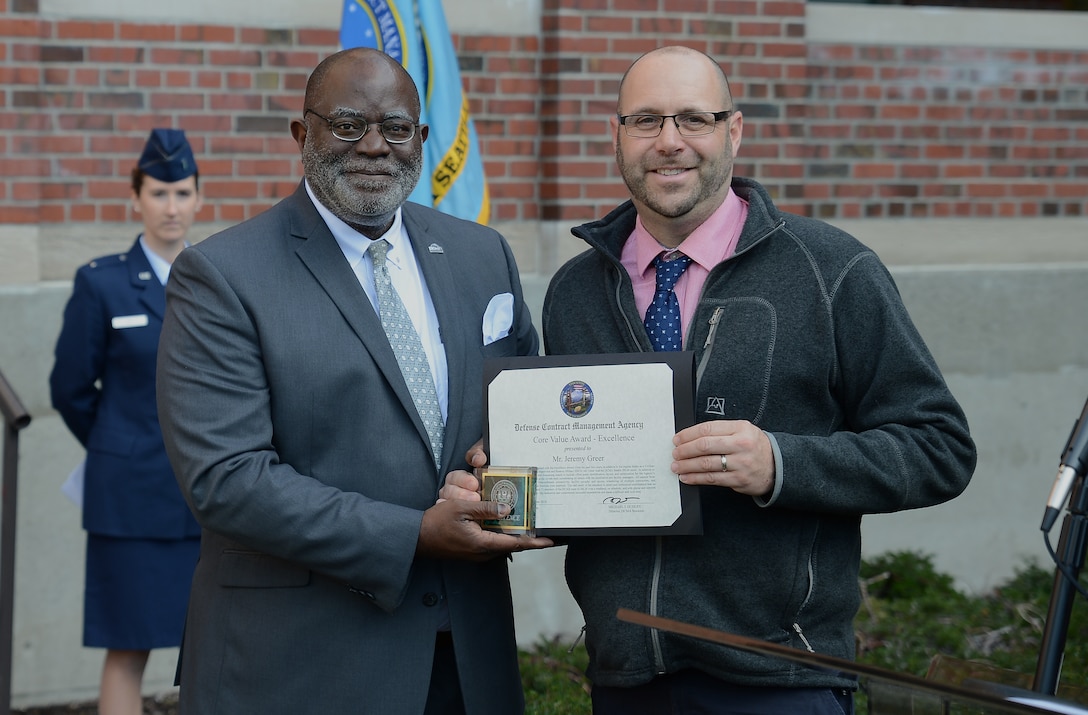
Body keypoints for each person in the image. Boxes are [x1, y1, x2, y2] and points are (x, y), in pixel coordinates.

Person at [445, 45, 977, 714]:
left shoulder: (832, 270)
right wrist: (516, 476)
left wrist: (780, 462)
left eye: (694, 118)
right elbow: (581, 450)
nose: (669, 141)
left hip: (781, 678)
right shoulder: (576, 290)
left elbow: (940, 447)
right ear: (617, 135)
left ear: (735, 130)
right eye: (646, 120)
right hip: (625, 675)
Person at [154, 47, 552, 715]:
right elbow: (226, 478)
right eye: (347, 124)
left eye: (395, 127)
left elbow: (524, 409)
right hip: (301, 667)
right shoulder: (221, 276)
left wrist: (508, 459)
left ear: (422, 140)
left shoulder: (483, 255)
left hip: (466, 657)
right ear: (301, 134)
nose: (374, 145)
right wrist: (415, 532)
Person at [49, 128, 203, 715]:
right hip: (131, 500)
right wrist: (120, 446)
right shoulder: (102, 282)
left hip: (208, 494)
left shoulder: (218, 277)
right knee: (128, 644)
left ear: (197, 199)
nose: (172, 208)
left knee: (215, 645)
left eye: (183, 193)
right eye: (159, 194)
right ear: (136, 198)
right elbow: (69, 388)